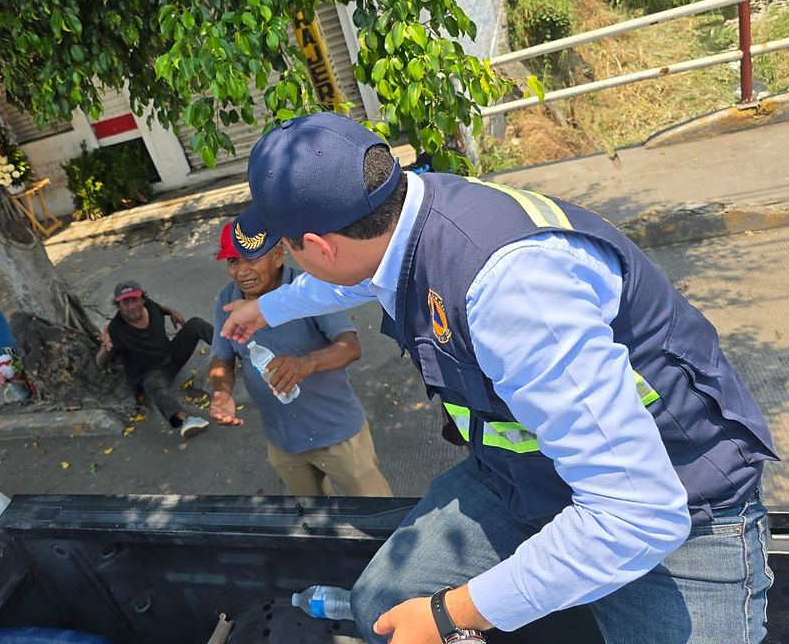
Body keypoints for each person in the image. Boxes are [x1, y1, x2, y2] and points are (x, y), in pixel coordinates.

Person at [220, 112, 776, 643]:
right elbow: (352, 278)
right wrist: (265, 310)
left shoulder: (512, 290)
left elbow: (638, 515)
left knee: (416, 620)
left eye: (286, 248)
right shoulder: (408, 214)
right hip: (526, 477)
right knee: (381, 608)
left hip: (680, 507)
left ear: (320, 247)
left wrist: (448, 614)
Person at [208, 222, 392, 497]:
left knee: (376, 510)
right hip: (283, 441)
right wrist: (221, 391)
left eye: (251, 259)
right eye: (233, 261)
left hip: (338, 434)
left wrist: (305, 364)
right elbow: (222, 357)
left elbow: (350, 346)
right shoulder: (227, 297)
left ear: (277, 255)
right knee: (310, 515)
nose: (242, 271)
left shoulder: (308, 289)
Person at [96, 280, 210, 440]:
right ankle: (187, 420)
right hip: (151, 373)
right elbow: (100, 363)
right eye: (125, 303)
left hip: (170, 356)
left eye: (135, 300)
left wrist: (171, 311)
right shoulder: (116, 329)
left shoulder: (150, 306)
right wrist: (105, 347)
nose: (131, 306)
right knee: (155, 388)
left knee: (195, 324)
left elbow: (159, 307)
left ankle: (236, 349)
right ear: (118, 306)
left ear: (142, 299)